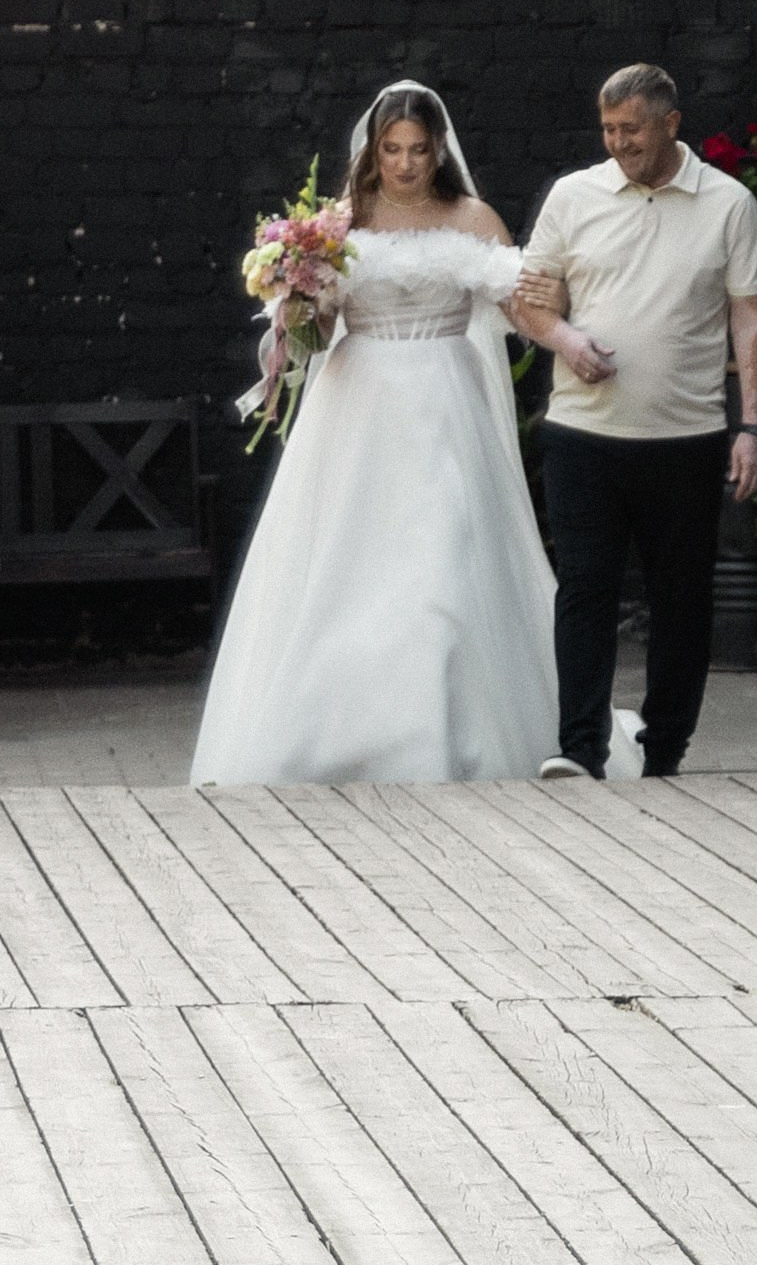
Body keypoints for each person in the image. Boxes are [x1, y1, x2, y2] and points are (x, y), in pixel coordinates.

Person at [192, 83, 611, 787]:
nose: (405, 163)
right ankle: (335, 735)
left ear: (439, 149)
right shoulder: (340, 223)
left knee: (444, 559)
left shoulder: (473, 218)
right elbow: (322, 326)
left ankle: (445, 739)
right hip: (358, 406)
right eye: (392, 149)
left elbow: (519, 304)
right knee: (348, 565)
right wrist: (298, 294)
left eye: (418, 149)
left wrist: (567, 340)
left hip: (446, 400)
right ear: (373, 150)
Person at [515, 62, 757, 784]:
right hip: (581, 433)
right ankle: (579, 748)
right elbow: (529, 300)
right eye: (608, 129)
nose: (619, 142)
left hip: (685, 439)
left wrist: (753, 427)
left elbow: (752, 318)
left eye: (631, 128)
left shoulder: (729, 203)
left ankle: (665, 750)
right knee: (585, 591)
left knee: (681, 601)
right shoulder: (573, 195)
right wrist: (566, 340)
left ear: (671, 123)